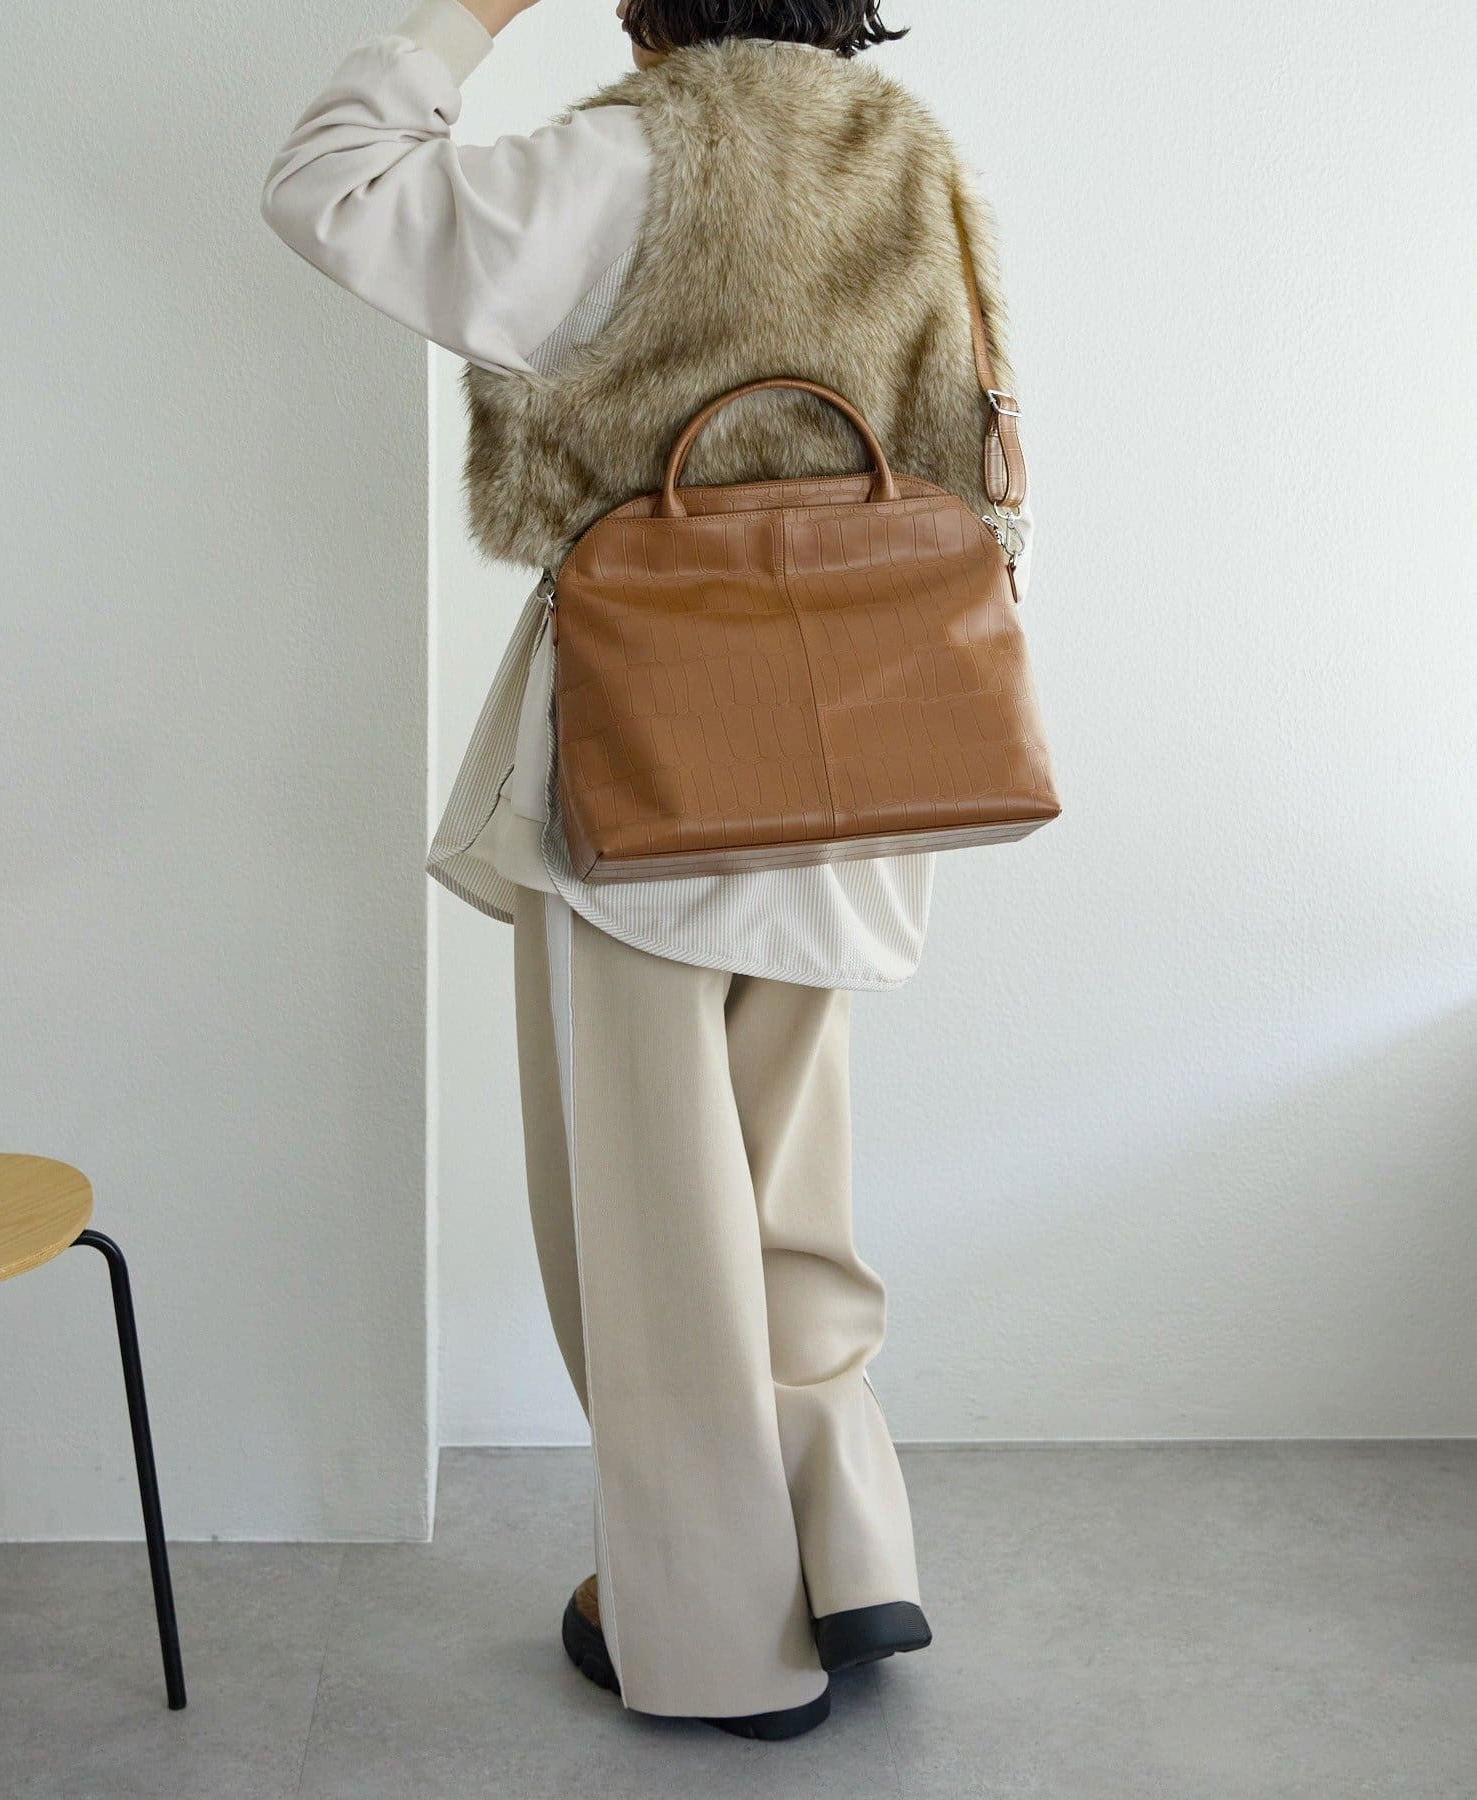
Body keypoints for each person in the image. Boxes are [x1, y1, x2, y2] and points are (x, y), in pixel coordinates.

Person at [264, 0, 1034, 1742]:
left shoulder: (626, 163)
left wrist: (467, 14)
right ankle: (845, 1542)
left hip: (655, 772)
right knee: (789, 1190)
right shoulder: (908, 158)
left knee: (654, 1232)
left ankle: (714, 1638)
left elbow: (330, 187)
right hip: (860, 755)